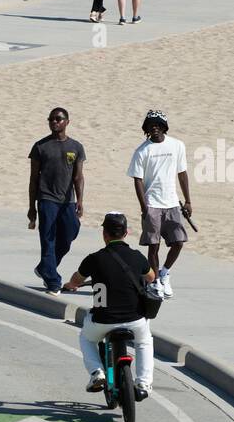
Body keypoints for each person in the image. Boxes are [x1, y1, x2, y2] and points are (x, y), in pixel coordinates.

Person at [62, 214, 155, 399]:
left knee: (86, 339)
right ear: (126, 233)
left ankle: (97, 372)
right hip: (134, 320)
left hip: (102, 321)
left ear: (104, 234)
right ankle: (143, 383)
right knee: (144, 341)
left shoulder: (94, 259)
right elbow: (151, 277)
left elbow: (76, 280)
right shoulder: (137, 257)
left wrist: (71, 285)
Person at [127, 111, 191, 299]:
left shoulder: (177, 145)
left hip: (172, 202)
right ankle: (154, 282)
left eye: (157, 124)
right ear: (146, 129)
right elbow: (137, 180)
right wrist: (144, 206)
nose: (154, 127)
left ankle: (164, 273)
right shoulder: (142, 151)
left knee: (178, 242)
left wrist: (188, 200)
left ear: (164, 126)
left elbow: (182, 173)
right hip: (152, 203)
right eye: (150, 125)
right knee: (153, 246)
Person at [27, 107, 85, 295]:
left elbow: (78, 177)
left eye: (58, 119)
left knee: (70, 233)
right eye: (51, 119)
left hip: (68, 201)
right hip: (46, 199)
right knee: (48, 240)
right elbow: (33, 179)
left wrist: (80, 200)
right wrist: (32, 207)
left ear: (67, 121)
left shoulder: (76, 147)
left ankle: (45, 267)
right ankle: (53, 280)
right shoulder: (40, 147)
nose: (54, 122)